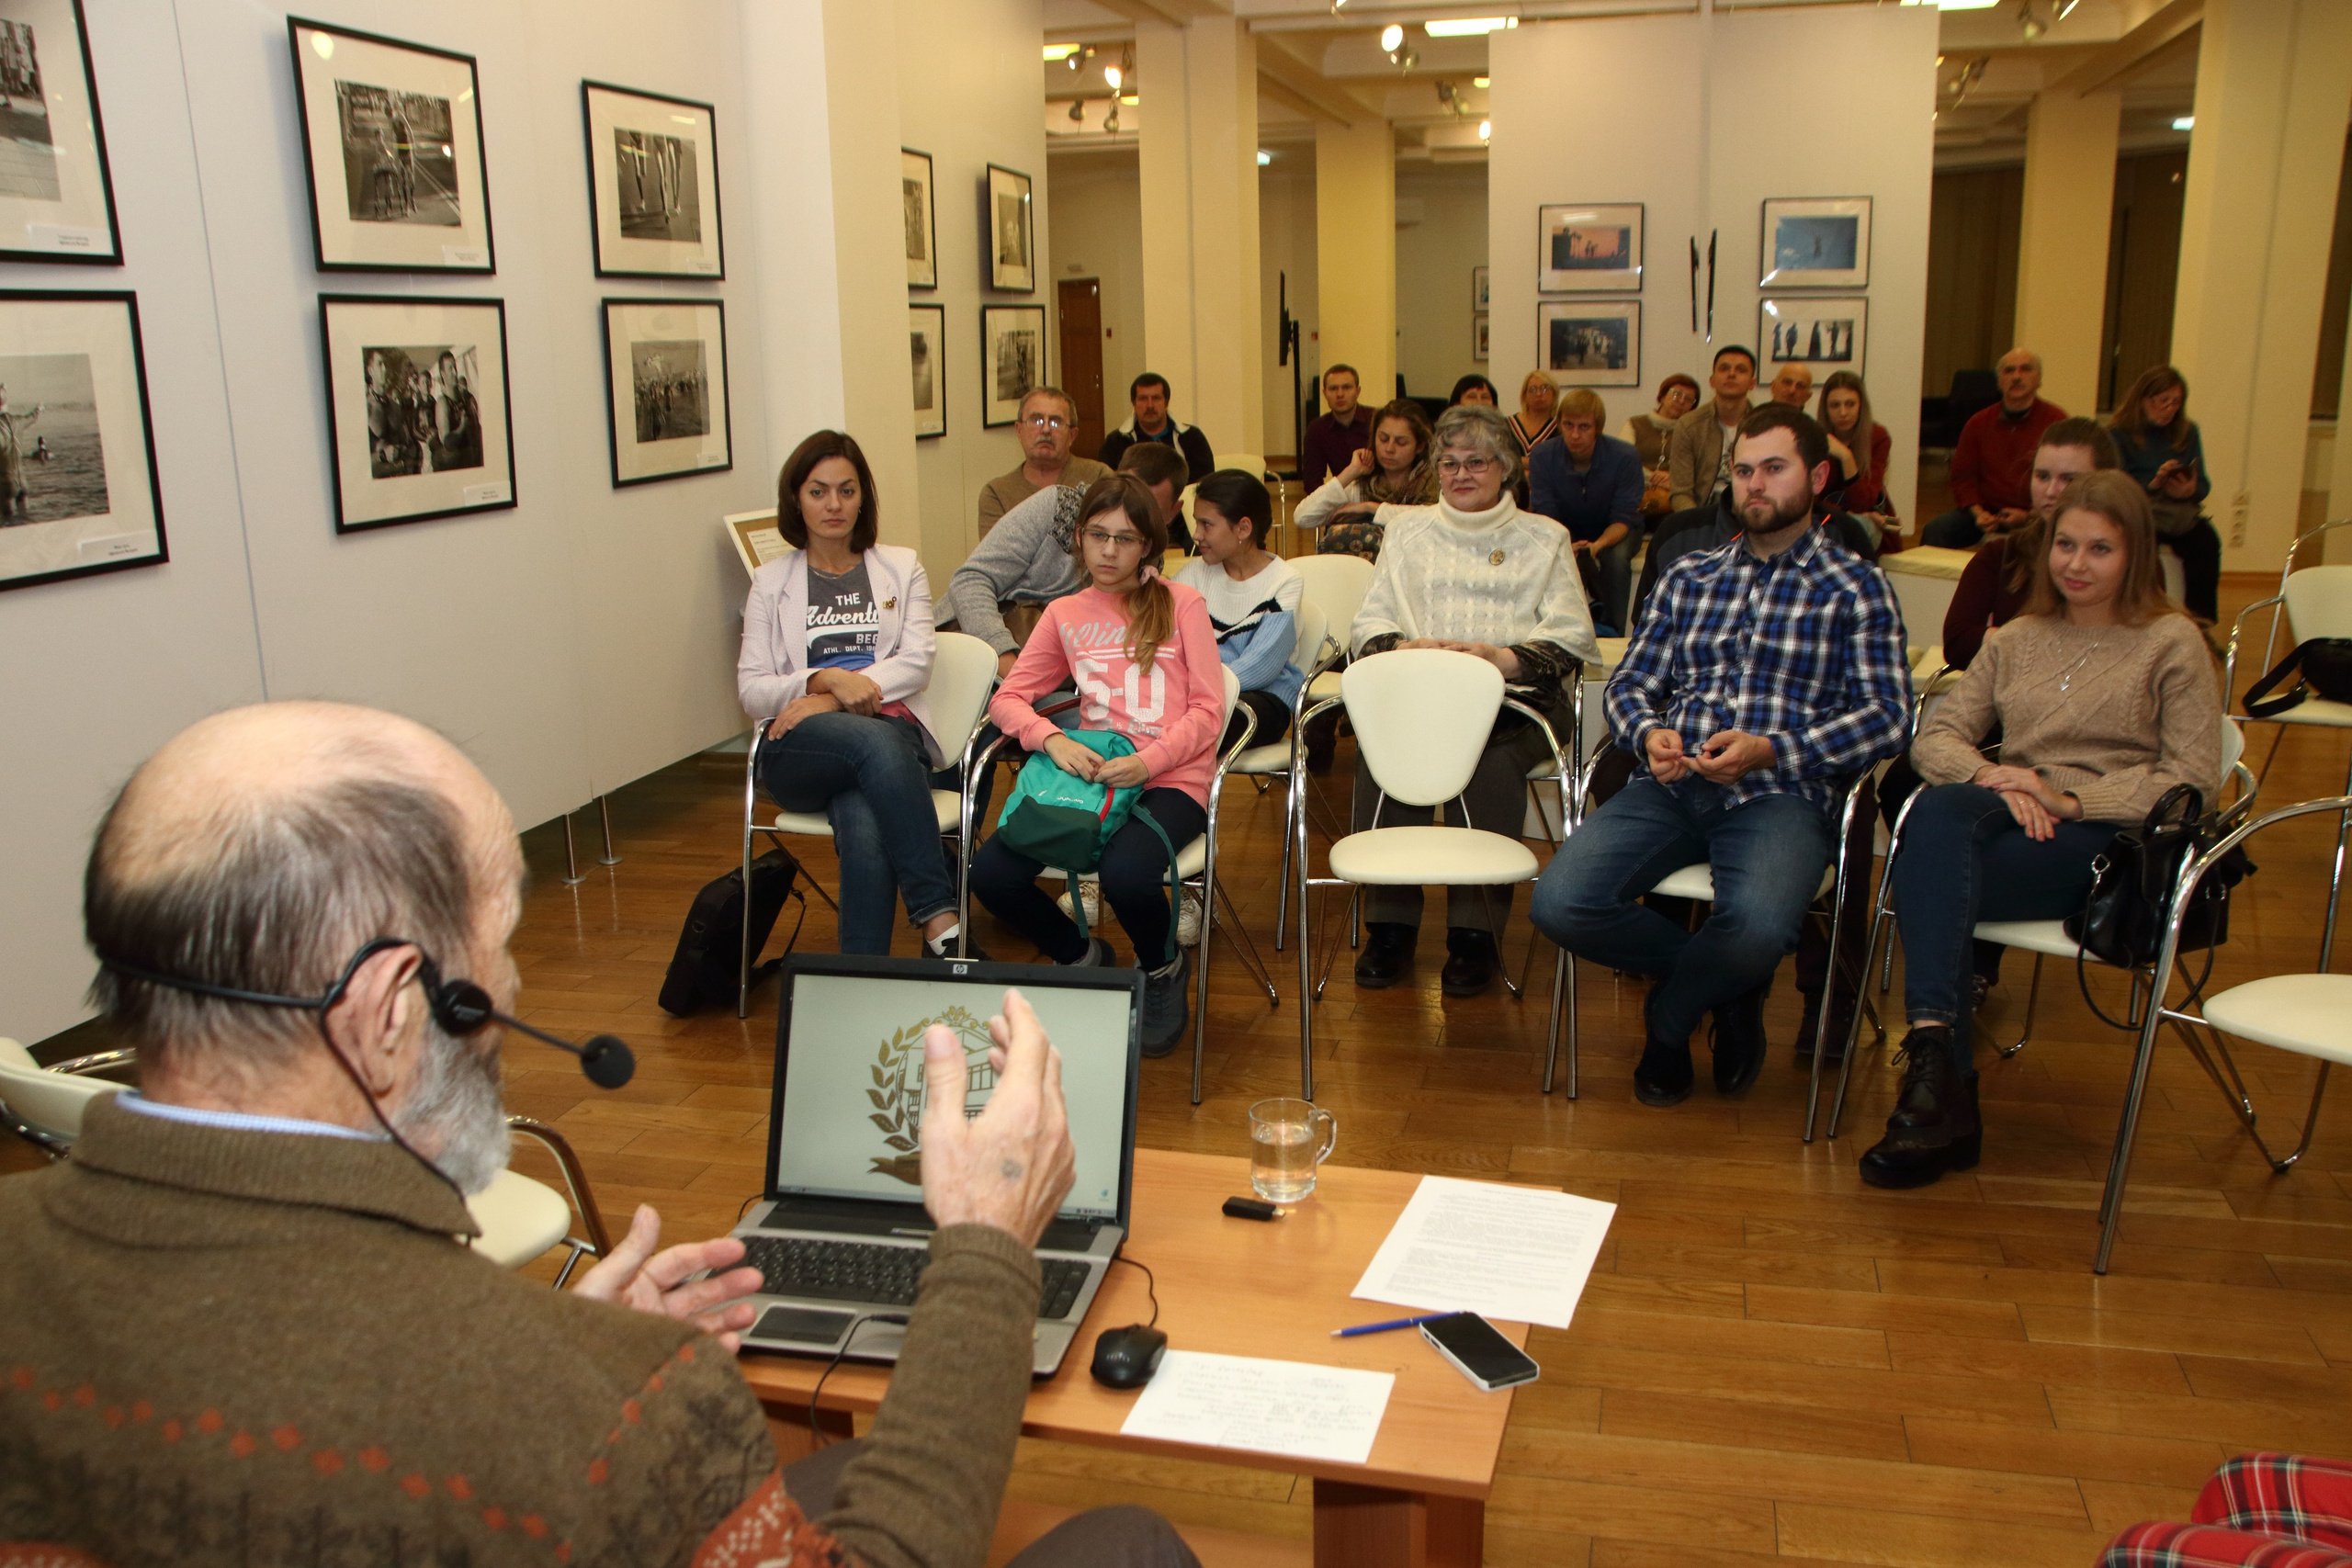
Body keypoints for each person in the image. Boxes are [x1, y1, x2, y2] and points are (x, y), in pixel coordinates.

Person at [2, 698, 1193, 1568]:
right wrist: (985, 1242)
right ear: (389, 1014)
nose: (514, 981)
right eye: (498, 941)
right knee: (1131, 1537)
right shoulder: (615, 1408)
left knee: (813, 1469)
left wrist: (571, 1350)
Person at [1532, 403, 1911, 1107]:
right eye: (1743, 470)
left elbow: (1889, 719)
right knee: (1559, 900)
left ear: (1818, 475)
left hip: (1783, 792)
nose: (1755, 485)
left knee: (1763, 925)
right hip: (1675, 783)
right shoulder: (1689, 575)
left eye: (1774, 468)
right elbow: (1632, 683)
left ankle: (1670, 1020)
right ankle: (1729, 988)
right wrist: (1648, 732)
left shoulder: (1857, 586)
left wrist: (1773, 750)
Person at [1866, 470, 2221, 1187]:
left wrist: (2065, 798)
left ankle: (1941, 1088)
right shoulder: (2018, 637)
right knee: (1936, 812)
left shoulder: (2172, 642)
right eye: (2065, 544)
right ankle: (1940, 1073)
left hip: (2105, 838)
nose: (2076, 564)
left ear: (2137, 555)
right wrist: (1998, 776)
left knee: (1928, 865)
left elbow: (2192, 782)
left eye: (2100, 549)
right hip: (2006, 814)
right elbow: (1936, 737)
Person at [1348, 402, 1599, 998]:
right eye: (1450, 462)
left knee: (1487, 762)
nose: (1461, 474)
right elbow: (1368, 623)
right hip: (1420, 694)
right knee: (1384, 759)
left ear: (1506, 467)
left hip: (1513, 702)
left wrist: (1499, 659)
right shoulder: (1407, 532)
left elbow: (1569, 637)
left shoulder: (1544, 536)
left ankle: (1474, 936)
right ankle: (1388, 928)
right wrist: (1409, 644)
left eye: (1477, 462)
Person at [969, 473, 1225, 1055]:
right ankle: (1079, 956)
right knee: (991, 875)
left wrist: (1150, 760)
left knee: (1125, 873)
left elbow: (1210, 710)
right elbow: (1007, 698)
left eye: (1126, 539)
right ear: (1079, 539)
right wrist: (1050, 740)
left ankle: (1161, 968)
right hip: (1091, 775)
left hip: (1172, 778)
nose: (1109, 552)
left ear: (1148, 548)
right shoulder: (1064, 613)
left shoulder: (1182, 603)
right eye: (1098, 536)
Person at [740, 431, 973, 961]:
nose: (833, 505)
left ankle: (861, 976)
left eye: (846, 490)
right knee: (877, 749)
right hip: (797, 748)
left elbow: (916, 663)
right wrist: (822, 679)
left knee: (864, 813)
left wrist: (830, 698)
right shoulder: (770, 582)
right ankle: (938, 909)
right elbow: (753, 690)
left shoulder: (900, 566)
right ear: (796, 498)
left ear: (863, 495)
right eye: (818, 491)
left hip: (889, 728)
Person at [944, 441, 1190, 679]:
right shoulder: (1057, 507)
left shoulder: (1149, 562)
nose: (1129, 517)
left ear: (1171, 513)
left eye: (1147, 512)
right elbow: (969, 582)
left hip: (1060, 680)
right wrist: (1012, 671)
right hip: (976, 657)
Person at [1941, 417, 2119, 670]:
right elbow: (1958, 645)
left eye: (2068, 479)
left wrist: (2004, 637)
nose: (2050, 491)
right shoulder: (2001, 555)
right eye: (2042, 476)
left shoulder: (2129, 559)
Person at [1175, 469, 1305, 754]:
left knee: (1189, 723)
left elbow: (1261, 666)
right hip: (1198, 697)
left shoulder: (1285, 581)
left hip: (1260, 701)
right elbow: (1165, 641)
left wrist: (1192, 689)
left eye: (1206, 525)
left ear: (1243, 529)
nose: (1196, 535)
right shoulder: (1194, 574)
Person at [2108, 363, 2222, 624]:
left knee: (2206, 543)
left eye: (2175, 403)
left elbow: (2202, 484)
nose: (2169, 409)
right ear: (2144, 400)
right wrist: (2153, 482)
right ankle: (2139, 617)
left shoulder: (2186, 432)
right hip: (2139, 510)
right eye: (2163, 401)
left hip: (2175, 510)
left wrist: (2190, 489)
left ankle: (2200, 622)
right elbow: (2113, 484)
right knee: (2140, 547)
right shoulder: (2119, 434)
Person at [1921, 348, 2065, 549]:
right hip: (1986, 512)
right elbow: (1962, 477)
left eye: (2025, 369)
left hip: (2037, 515)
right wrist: (1978, 513)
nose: (2016, 376)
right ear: (1999, 381)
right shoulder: (1979, 423)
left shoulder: (2057, 423)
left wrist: (2029, 516)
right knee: (1936, 531)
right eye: (2009, 371)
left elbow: (2063, 482)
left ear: (2038, 378)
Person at [1527, 388, 1643, 635]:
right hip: (1565, 526)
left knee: (1615, 559)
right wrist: (1566, 543)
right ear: (1559, 424)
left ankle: (1615, 632)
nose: (1575, 434)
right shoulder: (1542, 456)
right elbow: (1545, 513)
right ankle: (1563, 632)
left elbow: (1623, 515)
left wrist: (1598, 545)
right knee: (1554, 554)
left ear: (1598, 428)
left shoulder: (1625, 456)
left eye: (1584, 427)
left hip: (1616, 529)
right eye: (1568, 425)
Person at [1292, 396, 1436, 562]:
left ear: (1420, 446)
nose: (1389, 448)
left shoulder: (1433, 482)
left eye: (1401, 442)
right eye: (1383, 439)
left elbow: (1431, 519)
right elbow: (1303, 517)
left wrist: (1371, 508)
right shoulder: (1364, 485)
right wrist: (1351, 471)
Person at [978, 386, 1110, 537]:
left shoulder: (1099, 477)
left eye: (1056, 422)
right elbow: (998, 558)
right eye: (1036, 420)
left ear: (1072, 435)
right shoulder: (997, 494)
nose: (1046, 429)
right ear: (1019, 430)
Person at [1665, 344, 1758, 513]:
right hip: (1702, 512)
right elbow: (1680, 493)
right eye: (1724, 368)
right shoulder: (1689, 425)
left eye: (1741, 370)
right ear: (1712, 380)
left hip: (1750, 512)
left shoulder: (1764, 425)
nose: (1731, 374)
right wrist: (1698, 524)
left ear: (1752, 383)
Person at [1094, 371, 1215, 489]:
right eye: (1143, 398)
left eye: (1156, 398)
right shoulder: (1116, 441)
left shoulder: (1192, 438)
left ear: (1166, 403)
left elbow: (1205, 484)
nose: (1150, 405)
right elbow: (1106, 485)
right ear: (1134, 403)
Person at [1623, 373, 1699, 536]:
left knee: (1677, 528)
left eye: (1688, 399)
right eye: (1677, 394)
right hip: (1635, 498)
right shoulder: (1635, 424)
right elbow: (1622, 461)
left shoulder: (1693, 432)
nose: (1681, 401)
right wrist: (1653, 478)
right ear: (1662, 396)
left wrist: (1674, 479)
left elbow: (1699, 468)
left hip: (1670, 503)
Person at [1815, 370, 1892, 531]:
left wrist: (1846, 457)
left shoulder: (1877, 437)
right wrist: (1845, 513)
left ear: (1861, 406)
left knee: (1861, 526)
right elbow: (1809, 499)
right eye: (1835, 405)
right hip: (1825, 517)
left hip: (1868, 518)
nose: (1843, 413)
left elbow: (1864, 503)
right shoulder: (1814, 436)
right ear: (1826, 409)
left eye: (1850, 404)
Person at [1300, 363, 1372, 490]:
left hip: (1381, 496)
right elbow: (1312, 481)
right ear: (1324, 393)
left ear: (1358, 391)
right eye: (1333, 389)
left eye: (1347, 387)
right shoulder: (1317, 429)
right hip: (1341, 499)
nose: (1340, 394)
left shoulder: (1377, 420)